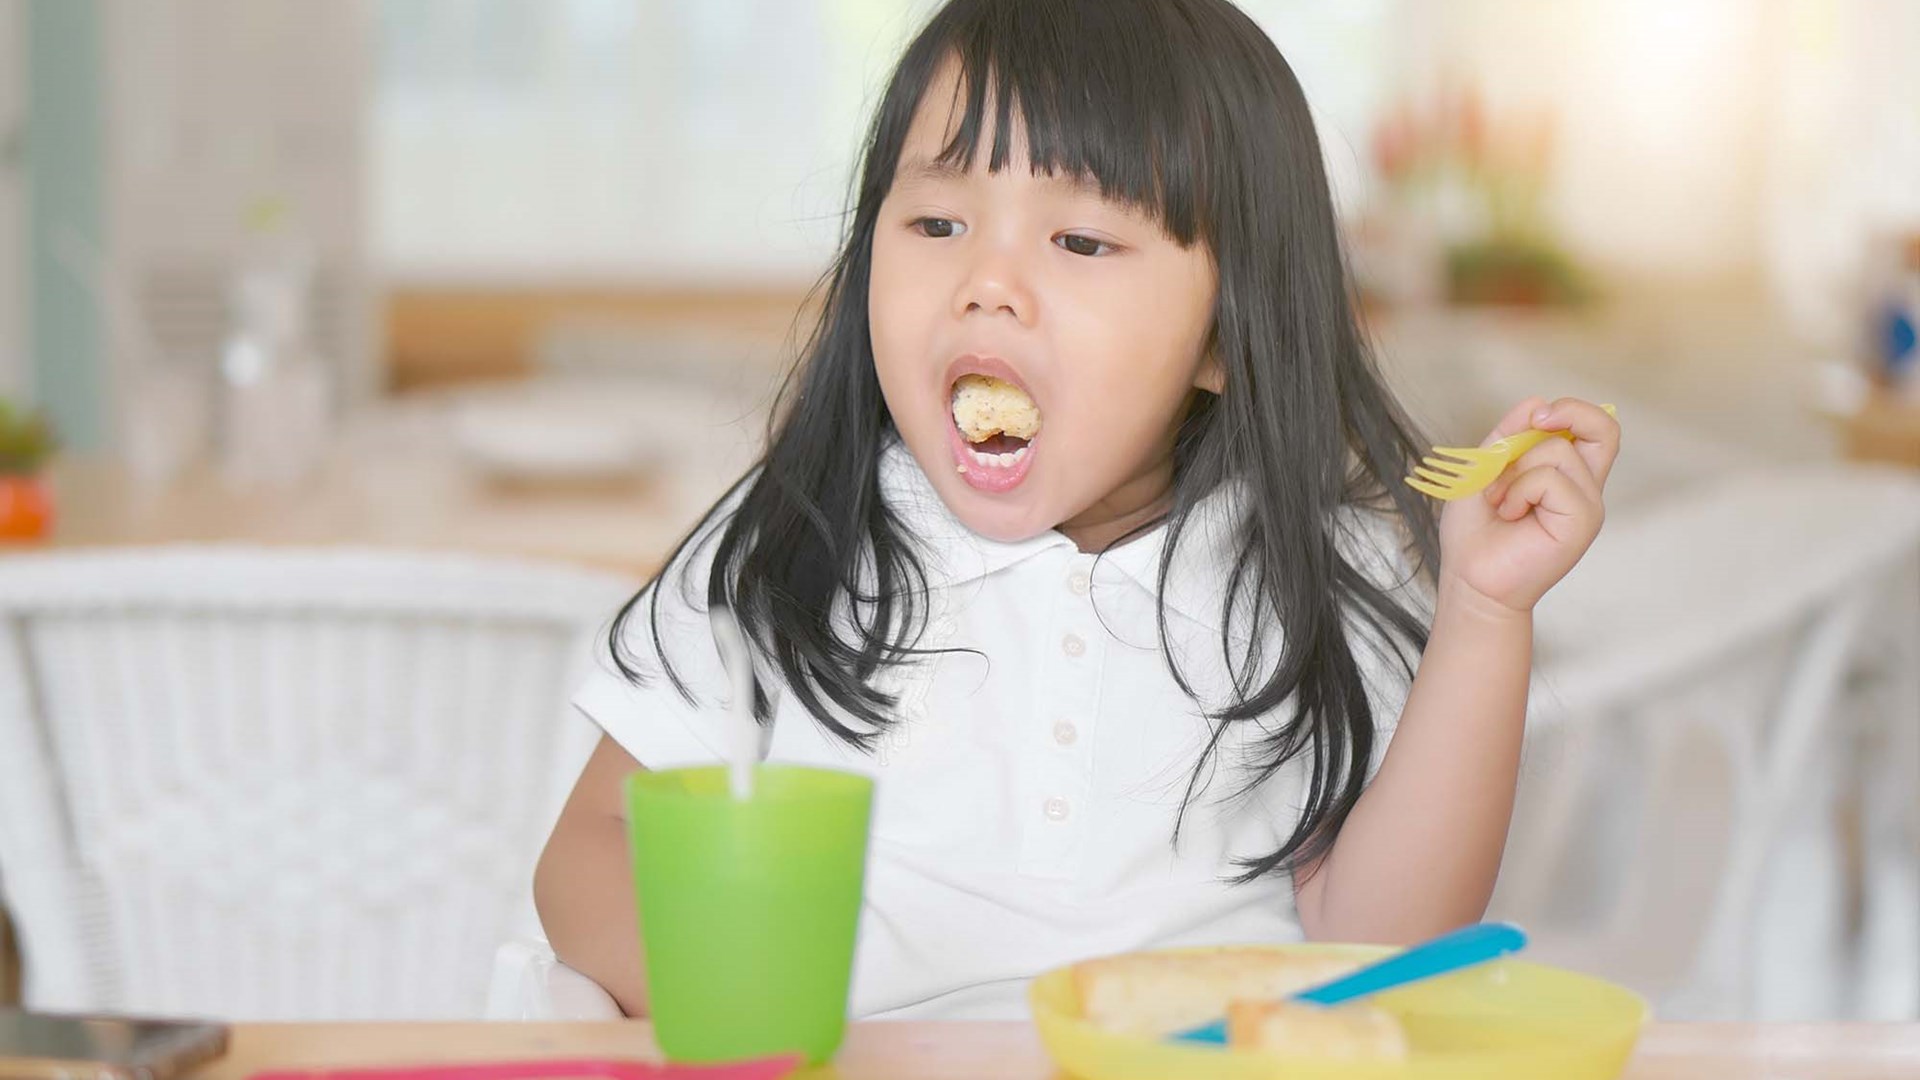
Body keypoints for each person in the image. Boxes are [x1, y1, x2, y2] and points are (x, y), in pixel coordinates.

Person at [534, 0, 1621, 1021]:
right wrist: (753, 994)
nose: (987, 284)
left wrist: (1485, 609)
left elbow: (1384, 944)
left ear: (1224, 337)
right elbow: (589, 850)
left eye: (1082, 242)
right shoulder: (800, 538)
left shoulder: (1311, 570)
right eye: (938, 221)